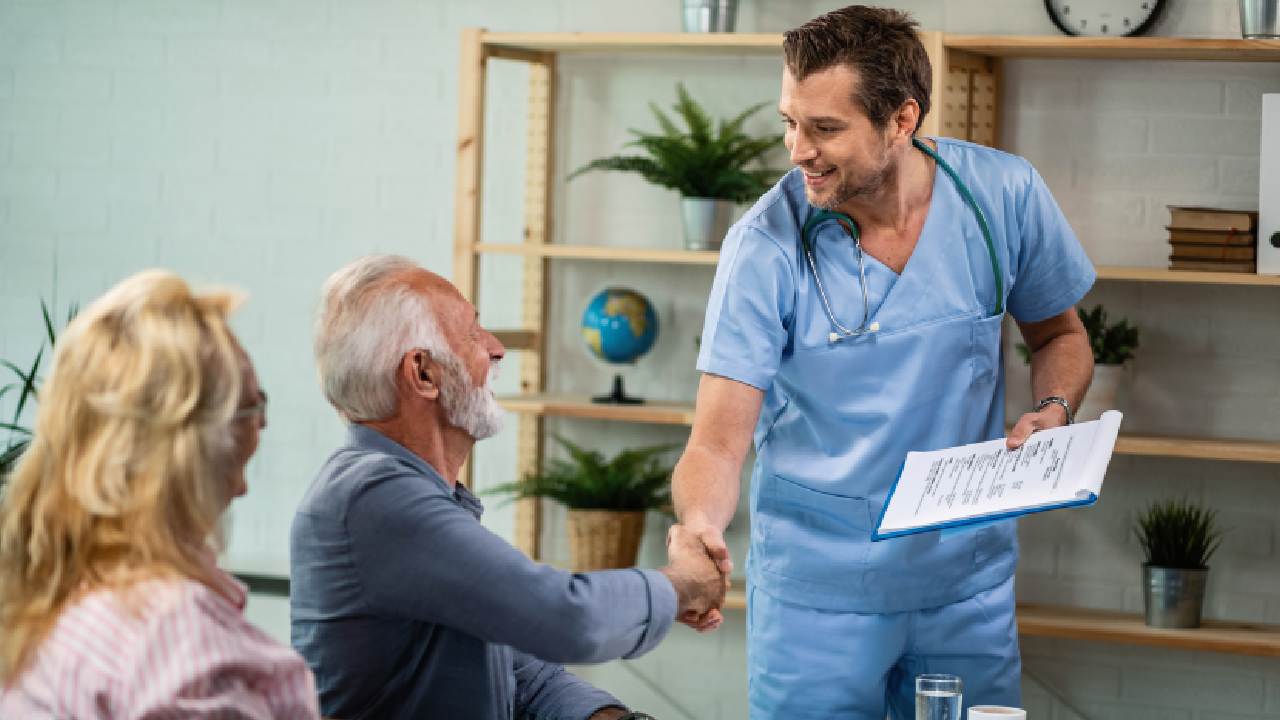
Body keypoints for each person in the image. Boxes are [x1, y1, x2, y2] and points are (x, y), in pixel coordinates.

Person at [671, 6, 1095, 718]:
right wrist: (699, 531)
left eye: (825, 128)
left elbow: (1061, 336)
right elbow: (716, 442)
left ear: (902, 119)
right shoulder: (764, 247)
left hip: (966, 591)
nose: (796, 149)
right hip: (820, 602)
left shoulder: (1002, 197)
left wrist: (1053, 410)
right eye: (790, 121)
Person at [291, 255, 725, 720]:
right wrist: (684, 584)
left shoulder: (414, 491)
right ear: (422, 373)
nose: (497, 349)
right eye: (473, 334)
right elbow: (564, 617)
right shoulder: (372, 497)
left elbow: (517, 669)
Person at [0, 270, 319, 718]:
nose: (262, 425)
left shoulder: (54, 598)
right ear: (189, 447)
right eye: (250, 406)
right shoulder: (177, 637)